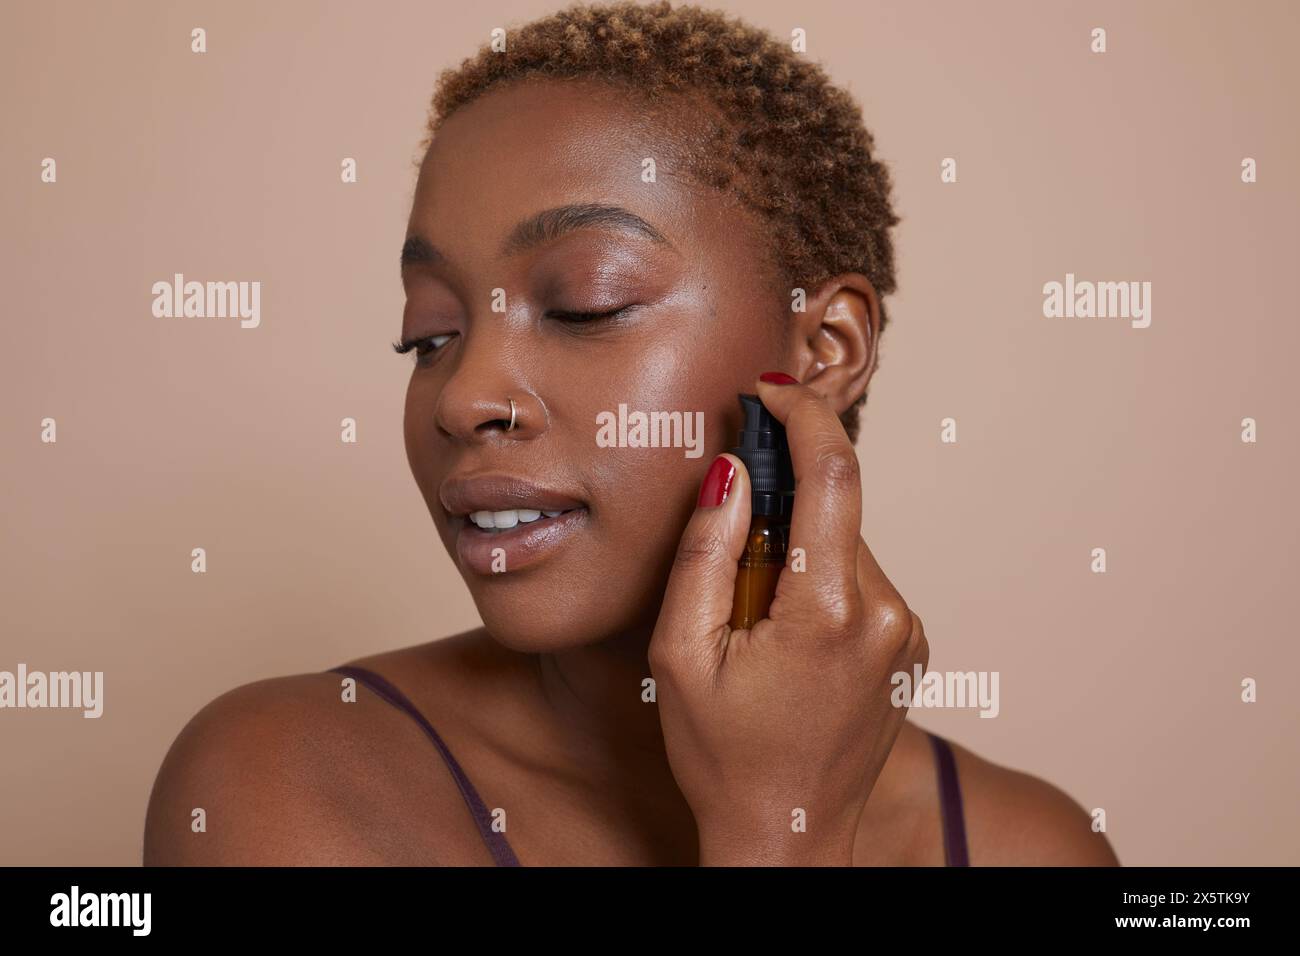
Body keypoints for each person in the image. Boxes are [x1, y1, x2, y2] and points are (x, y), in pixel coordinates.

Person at [144, 0, 1119, 866]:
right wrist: (775, 836)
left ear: (823, 346)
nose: (462, 395)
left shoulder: (1028, 845)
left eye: (584, 305)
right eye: (430, 333)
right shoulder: (285, 780)